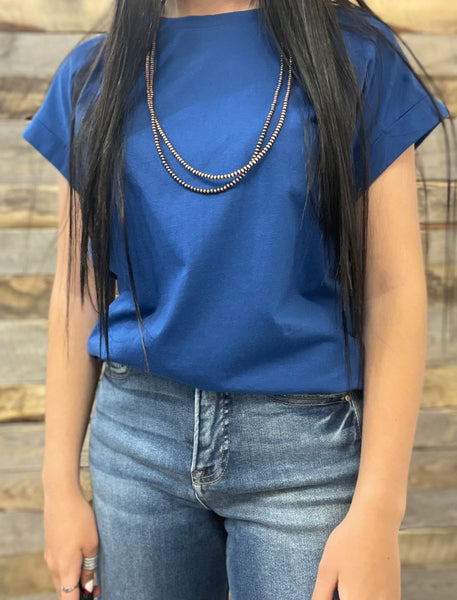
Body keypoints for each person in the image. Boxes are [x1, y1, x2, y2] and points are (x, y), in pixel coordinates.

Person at [22, 1, 454, 599]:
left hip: (304, 453)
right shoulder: (94, 75)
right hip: (135, 442)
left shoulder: (354, 56)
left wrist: (379, 510)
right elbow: (78, 291)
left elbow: (393, 288)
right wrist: (58, 487)